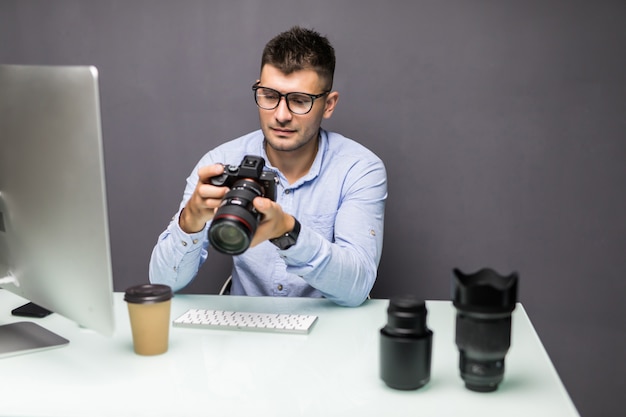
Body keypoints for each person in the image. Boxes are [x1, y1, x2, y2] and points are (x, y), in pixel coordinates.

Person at [149, 26, 387, 307]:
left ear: (329, 104)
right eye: (270, 96)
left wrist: (288, 231)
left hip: (330, 334)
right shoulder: (220, 162)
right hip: (243, 330)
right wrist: (189, 223)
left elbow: (356, 288)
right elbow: (163, 283)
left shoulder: (359, 169)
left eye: (300, 101)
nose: (281, 115)